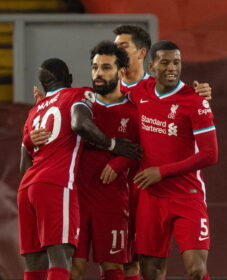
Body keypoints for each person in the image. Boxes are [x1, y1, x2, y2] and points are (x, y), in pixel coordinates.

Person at [18, 58, 142, 280]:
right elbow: (80, 124)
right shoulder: (78, 94)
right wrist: (113, 144)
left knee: (34, 263)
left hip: (26, 188)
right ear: (70, 79)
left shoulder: (34, 111)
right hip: (56, 184)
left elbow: (23, 163)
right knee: (61, 260)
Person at [113, 24, 213, 280]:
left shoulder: (195, 101)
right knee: (150, 271)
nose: (172, 68)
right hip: (151, 198)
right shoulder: (138, 93)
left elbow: (210, 155)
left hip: (186, 195)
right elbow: (104, 101)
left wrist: (163, 172)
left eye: (177, 63)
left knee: (197, 270)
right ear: (152, 68)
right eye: (165, 63)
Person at [71, 41, 139, 280]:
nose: (98, 73)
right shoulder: (83, 105)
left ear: (121, 72)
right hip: (76, 201)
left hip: (111, 201)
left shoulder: (134, 111)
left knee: (112, 269)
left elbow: (143, 151)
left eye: (106, 67)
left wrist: (118, 162)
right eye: (95, 67)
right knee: (72, 270)